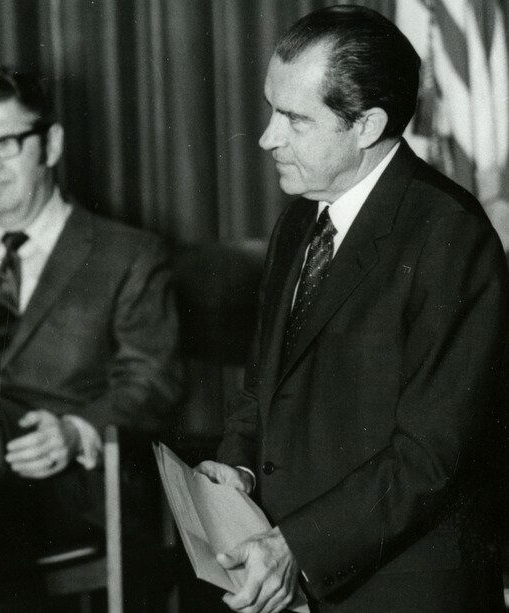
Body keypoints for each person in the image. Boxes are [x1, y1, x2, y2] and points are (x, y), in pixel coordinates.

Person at [194, 6, 509, 613]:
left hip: (397, 591)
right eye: (270, 107)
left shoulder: (450, 236)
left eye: (294, 118)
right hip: (292, 576)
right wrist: (239, 471)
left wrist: (296, 548)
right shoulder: (299, 219)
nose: (266, 137)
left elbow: (428, 456)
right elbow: (263, 388)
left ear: (366, 126)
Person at [0, 67, 182, 610]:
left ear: (50, 144)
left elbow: (155, 386)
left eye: (5, 144)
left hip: (67, 490)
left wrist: (77, 435)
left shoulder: (126, 255)